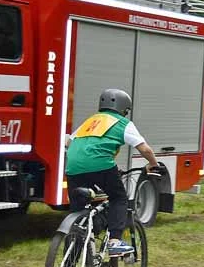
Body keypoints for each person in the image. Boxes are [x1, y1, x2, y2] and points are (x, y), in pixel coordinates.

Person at [65, 88, 159, 256]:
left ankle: (70, 265)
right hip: (100, 165)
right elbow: (145, 149)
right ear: (124, 109)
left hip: (72, 167)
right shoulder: (122, 123)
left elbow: (67, 143)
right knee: (119, 198)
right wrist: (153, 164)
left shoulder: (90, 121)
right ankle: (115, 241)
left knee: (78, 213)